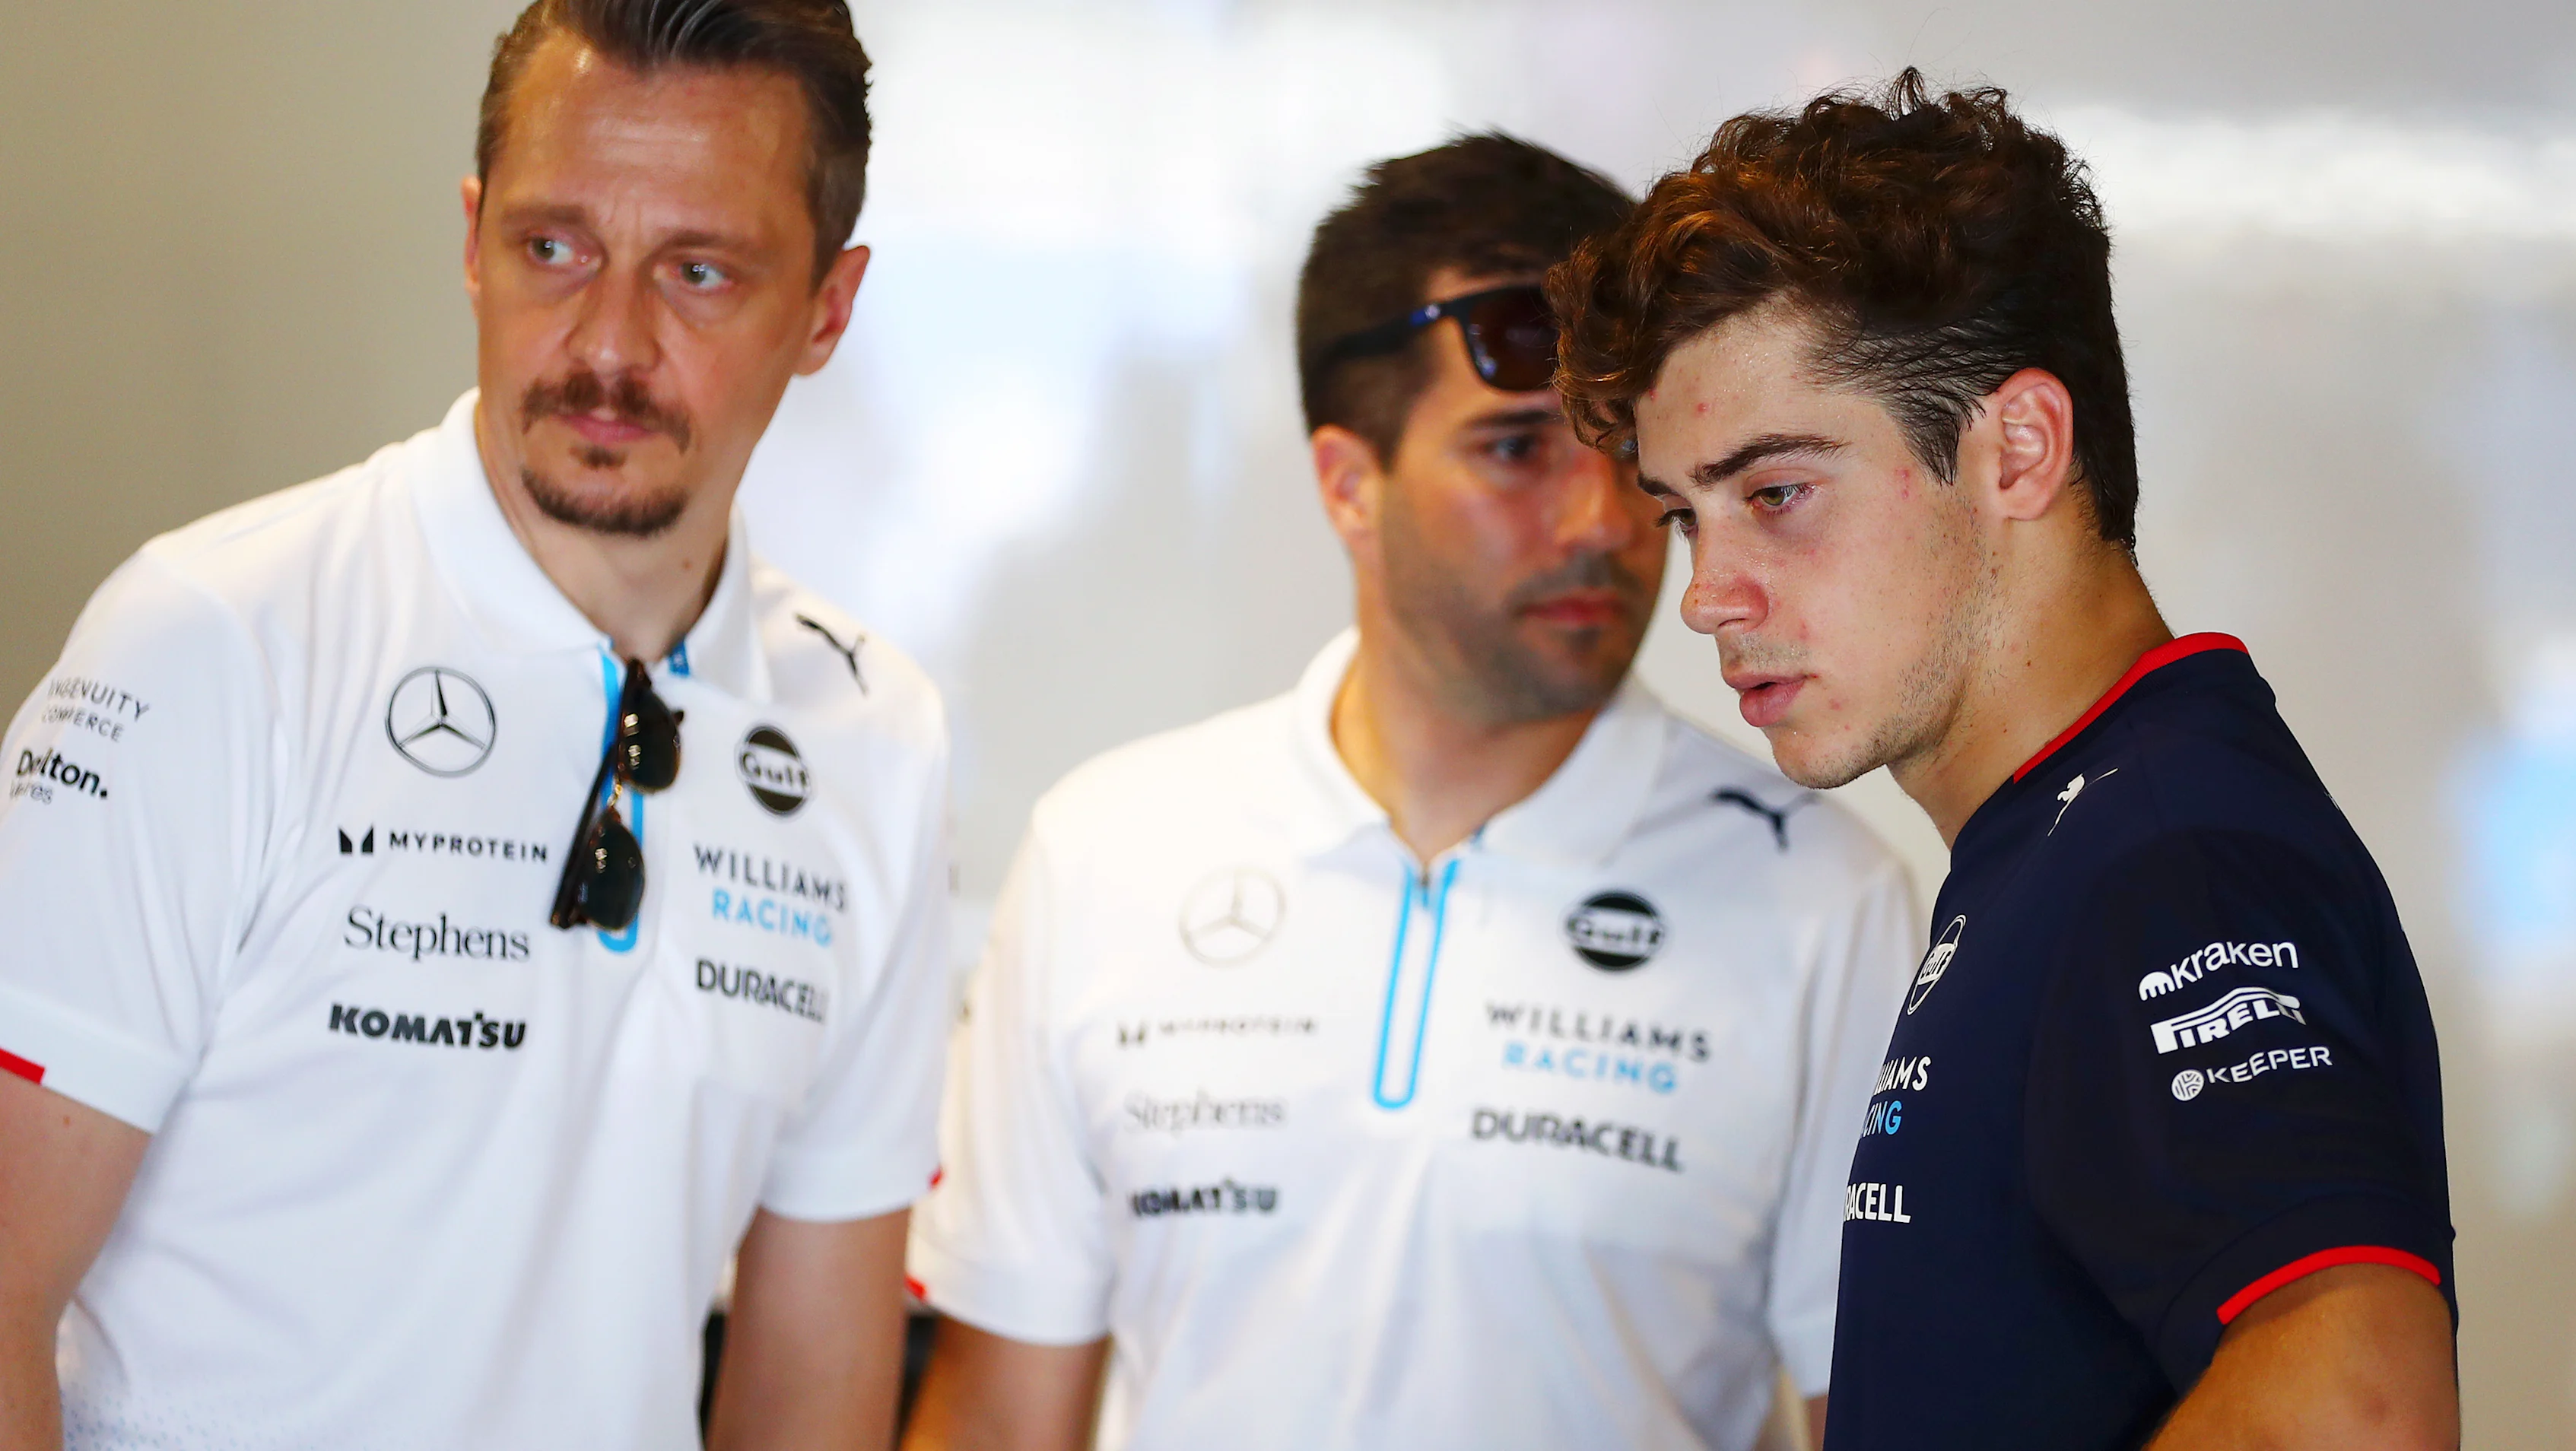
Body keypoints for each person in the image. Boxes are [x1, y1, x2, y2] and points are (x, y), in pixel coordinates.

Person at [0, 2, 949, 1447]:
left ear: (827, 308)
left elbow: (811, 1394)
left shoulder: (872, 737)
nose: (609, 345)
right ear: (471, 238)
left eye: (698, 271)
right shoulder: (214, 643)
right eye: (553, 249)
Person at [901, 133, 1917, 1451]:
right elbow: (996, 1420)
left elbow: (1884, 1417)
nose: (1602, 523)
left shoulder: (1827, 904)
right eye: (1513, 451)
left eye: (1624, 454)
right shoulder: (1105, 855)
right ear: (1347, 484)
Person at [1552, 71, 2458, 1450]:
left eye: (1777, 495)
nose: (1708, 593)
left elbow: (2362, 1402)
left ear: (2019, 448)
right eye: (1687, 517)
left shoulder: (2167, 853)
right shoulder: (2068, 843)